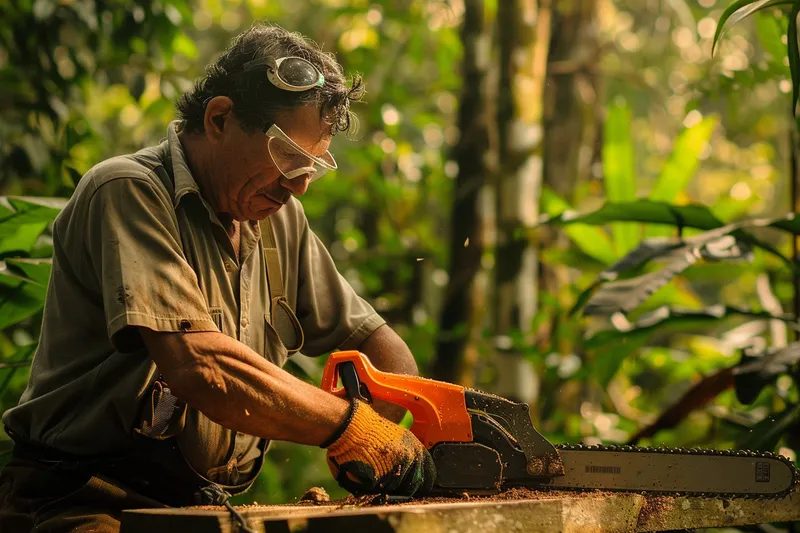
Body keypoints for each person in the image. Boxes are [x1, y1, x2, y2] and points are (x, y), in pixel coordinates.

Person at [0, 22, 436, 533]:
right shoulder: (128, 191)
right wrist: (344, 425)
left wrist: (393, 425)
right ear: (220, 118)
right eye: (289, 157)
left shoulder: (277, 219)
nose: (299, 187)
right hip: (80, 498)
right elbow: (202, 368)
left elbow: (377, 343)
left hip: (199, 508)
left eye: (313, 166)